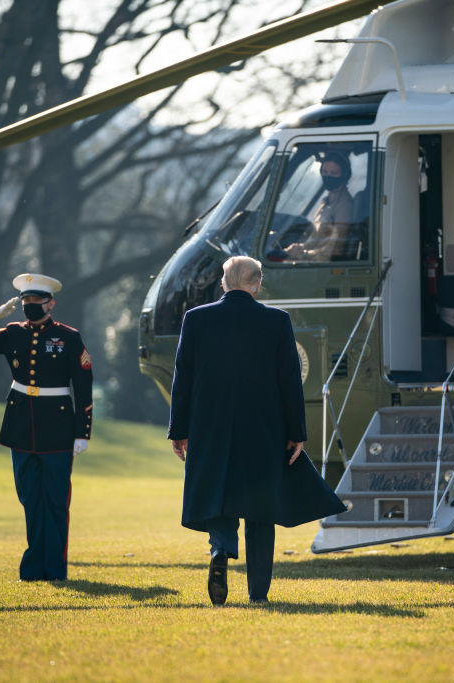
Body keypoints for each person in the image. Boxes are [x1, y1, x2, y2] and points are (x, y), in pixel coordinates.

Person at [168, 256, 345, 605]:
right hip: (264, 429)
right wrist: (296, 432)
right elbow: (289, 382)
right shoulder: (277, 321)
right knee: (261, 508)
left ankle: (220, 550)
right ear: (257, 284)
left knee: (219, 496)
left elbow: (183, 378)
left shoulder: (196, 319)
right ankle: (258, 592)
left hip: (210, 426)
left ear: (223, 283)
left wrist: (179, 429)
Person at [0, 273, 93, 581]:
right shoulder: (13, 333)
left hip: (58, 428)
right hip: (20, 426)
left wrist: (82, 432)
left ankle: (54, 569)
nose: (30, 305)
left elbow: (83, 386)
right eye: (26, 301)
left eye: (37, 300)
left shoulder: (68, 337)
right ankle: (32, 570)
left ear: (51, 303)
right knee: (30, 500)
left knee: (55, 502)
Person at [284, 151, 354, 261]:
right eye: (325, 172)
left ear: (344, 175)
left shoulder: (344, 206)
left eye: (333, 173)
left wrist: (305, 255)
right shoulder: (326, 201)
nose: (328, 176)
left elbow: (335, 249)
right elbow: (317, 238)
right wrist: (299, 248)